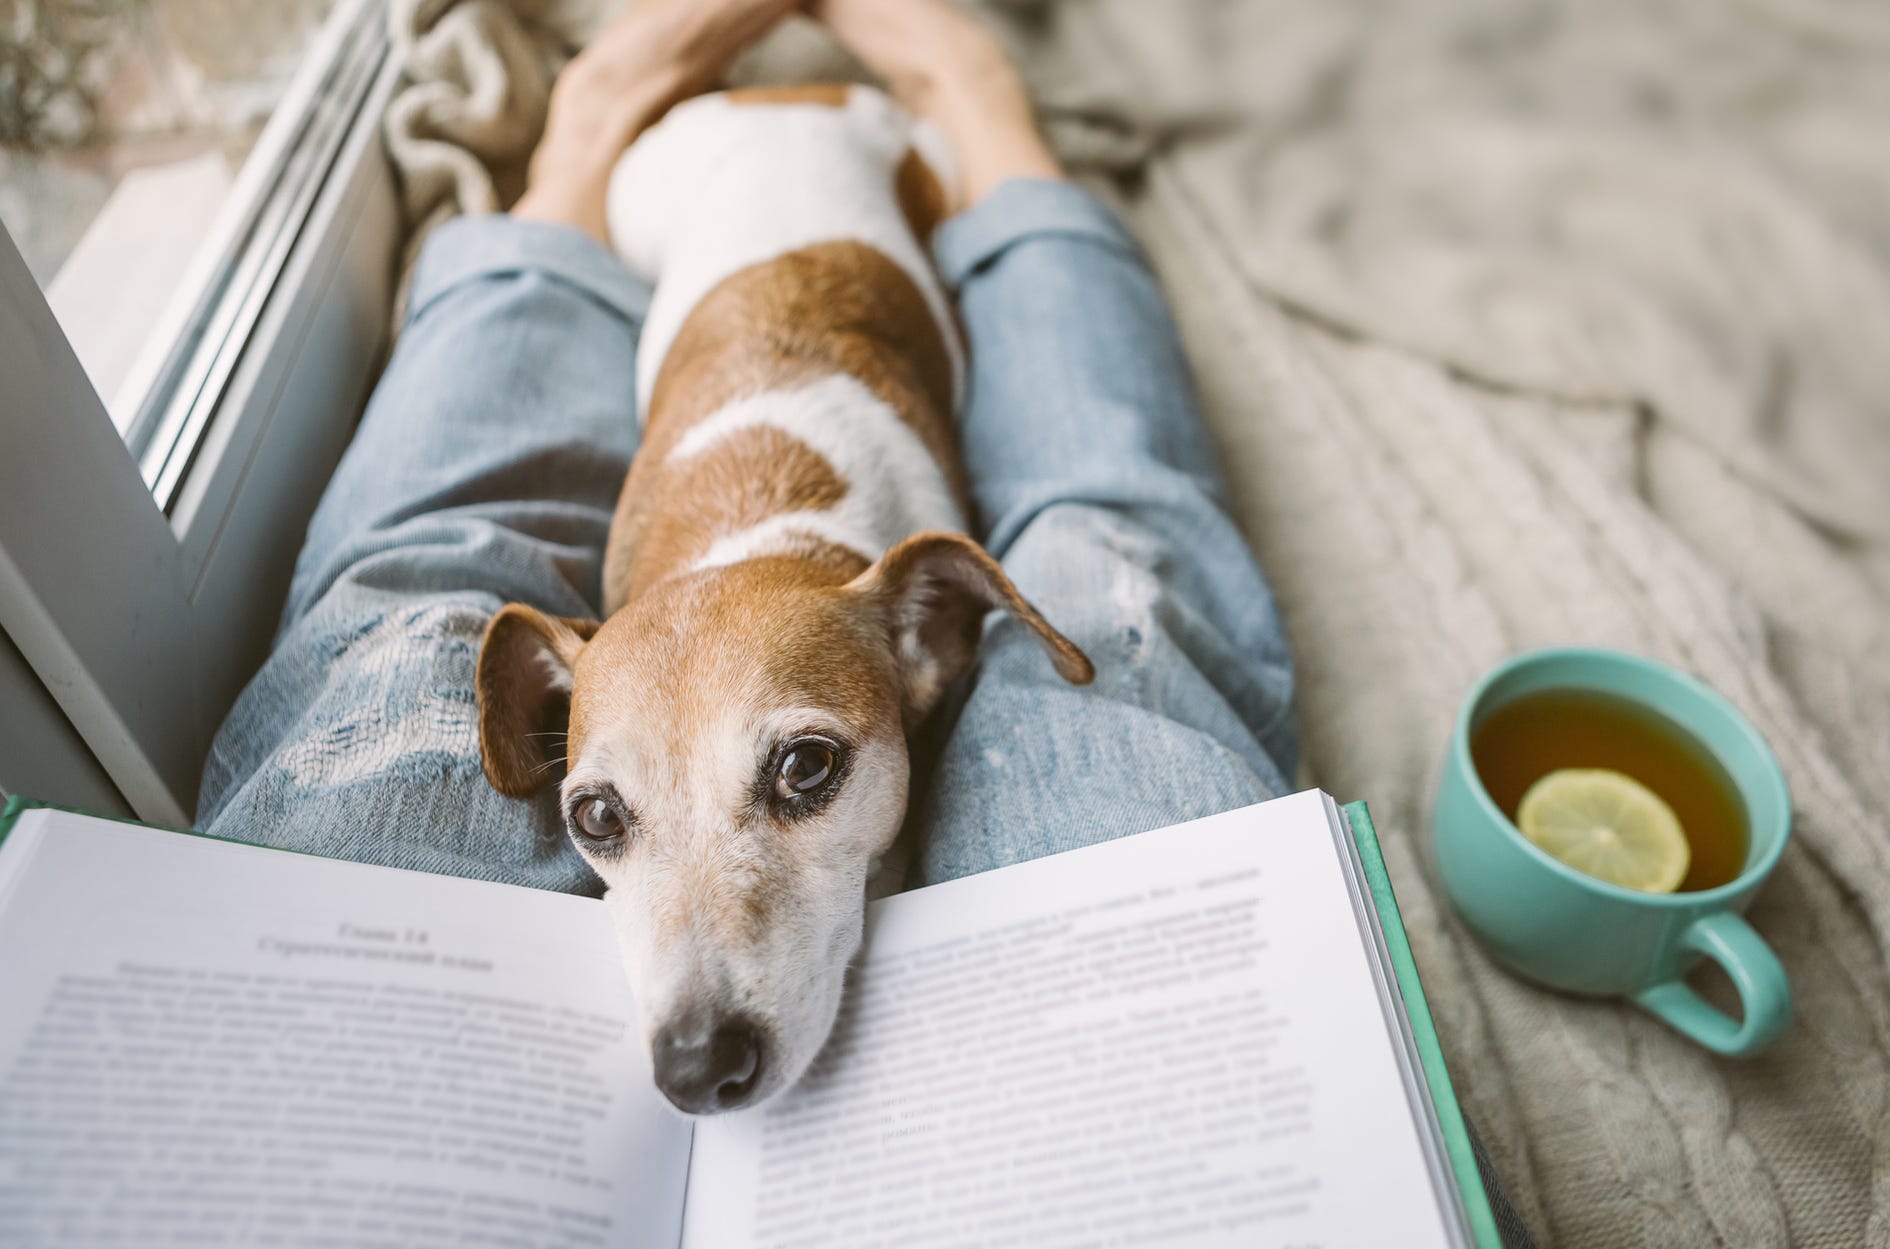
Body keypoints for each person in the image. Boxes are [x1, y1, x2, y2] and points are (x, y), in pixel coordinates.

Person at [198, 0, 1297, 887]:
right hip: (707, 189)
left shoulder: (901, 625)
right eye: (599, 815)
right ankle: (939, 118)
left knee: (420, 583)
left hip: (868, 161)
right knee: (1105, 533)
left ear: (932, 634)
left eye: (804, 769)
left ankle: (939, 97)